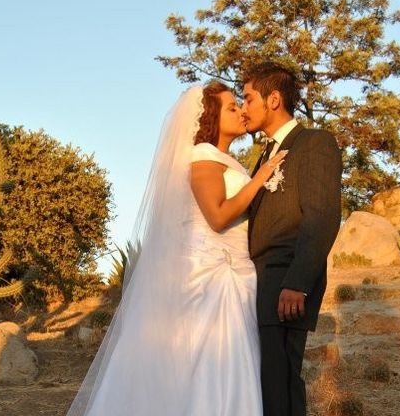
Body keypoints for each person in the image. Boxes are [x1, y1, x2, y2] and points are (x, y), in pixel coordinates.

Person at [66, 81, 286, 416]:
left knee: (226, 365)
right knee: (211, 366)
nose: (241, 111)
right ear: (209, 118)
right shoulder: (202, 157)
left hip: (236, 273)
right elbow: (218, 215)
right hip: (212, 278)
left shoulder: (225, 159)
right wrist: (261, 178)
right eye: (231, 107)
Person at [242, 62, 342, 416]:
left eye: (248, 98)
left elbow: (322, 217)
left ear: (273, 99)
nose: (243, 108)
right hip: (260, 283)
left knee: (281, 387)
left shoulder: (315, 143)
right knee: (268, 387)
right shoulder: (264, 157)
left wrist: (297, 283)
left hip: (284, 284)